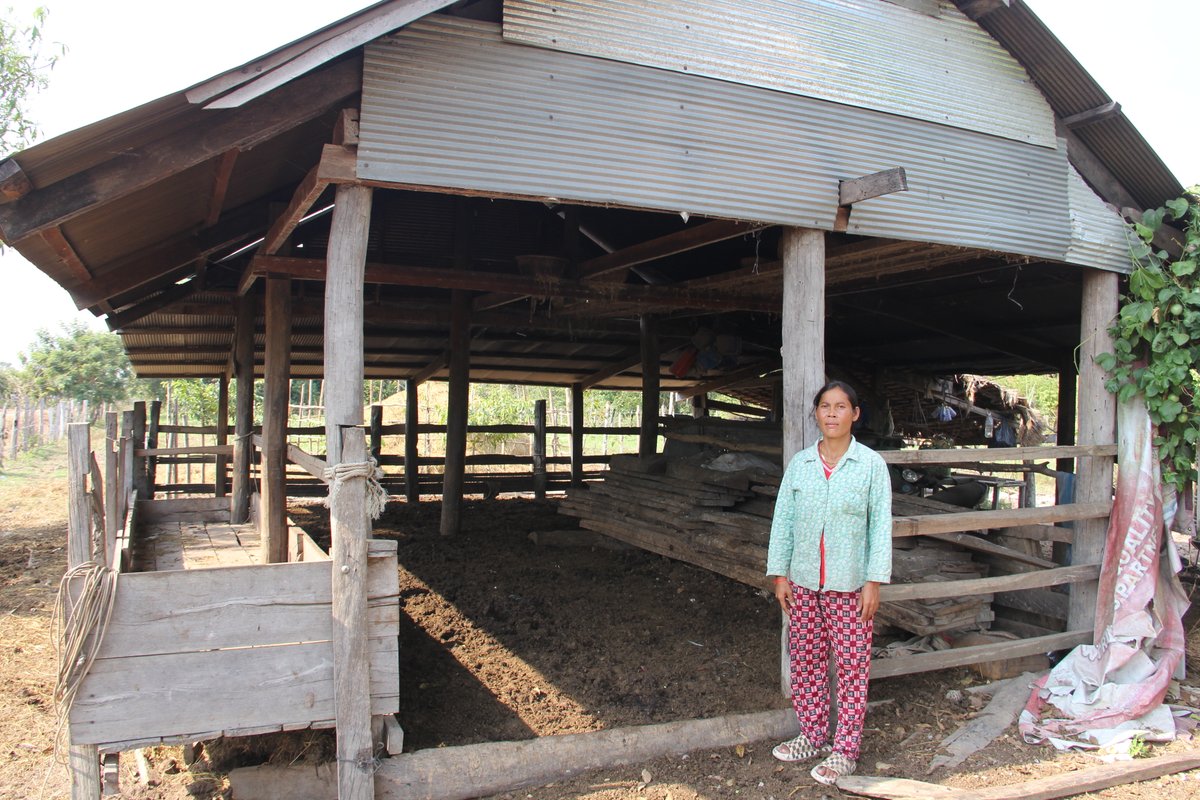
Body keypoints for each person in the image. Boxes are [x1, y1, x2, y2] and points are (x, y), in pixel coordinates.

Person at [765, 380, 892, 786]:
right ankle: (814, 735)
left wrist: (874, 582)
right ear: (816, 414)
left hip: (849, 585)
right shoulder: (800, 464)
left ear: (856, 414)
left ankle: (845, 750)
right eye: (825, 406)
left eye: (841, 407)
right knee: (805, 661)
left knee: (852, 667)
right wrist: (780, 573)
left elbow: (880, 529)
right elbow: (783, 520)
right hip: (802, 581)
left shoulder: (870, 465)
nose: (832, 413)